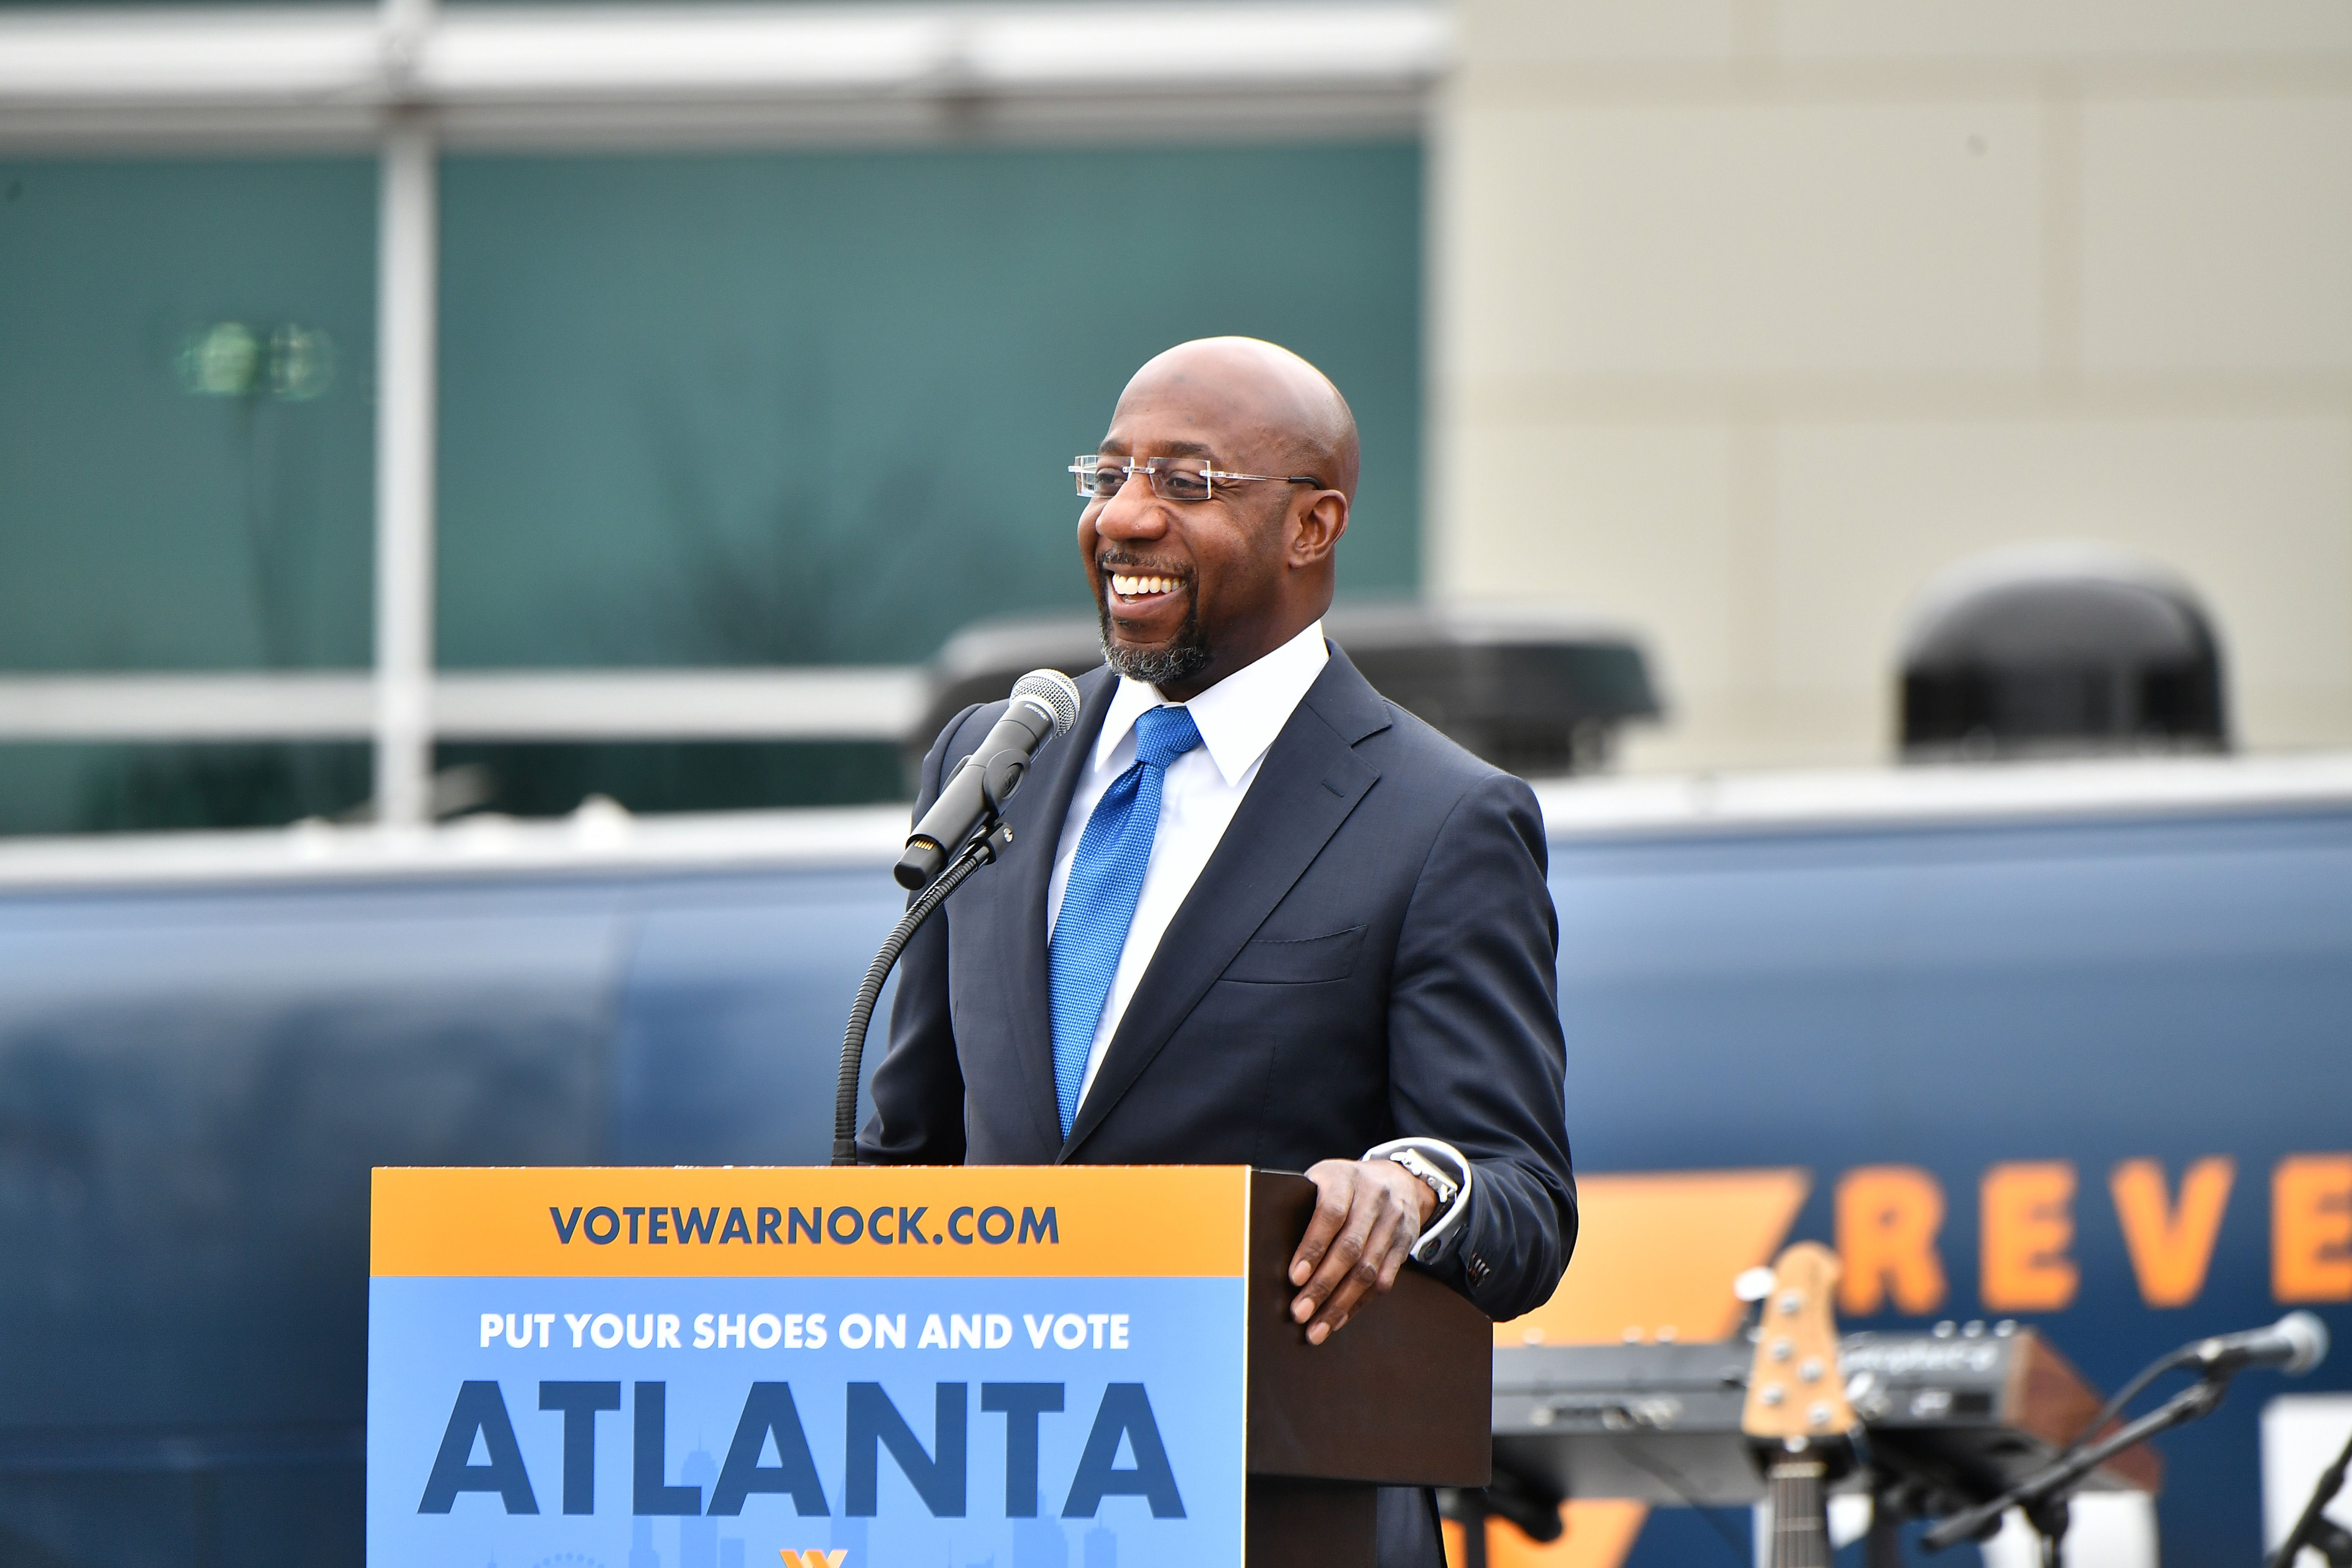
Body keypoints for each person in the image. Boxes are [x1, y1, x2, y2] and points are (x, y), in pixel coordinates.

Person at [861, 336, 1575, 1567]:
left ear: (1314, 526)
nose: (1125, 518)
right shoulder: (997, 758)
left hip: (1281, 1518)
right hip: (990, 1508)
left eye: (1185, 483)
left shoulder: (1441, 817)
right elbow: (912, 1156)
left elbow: (1520, 1195)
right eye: (1107, 478)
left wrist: (1407, 1188)